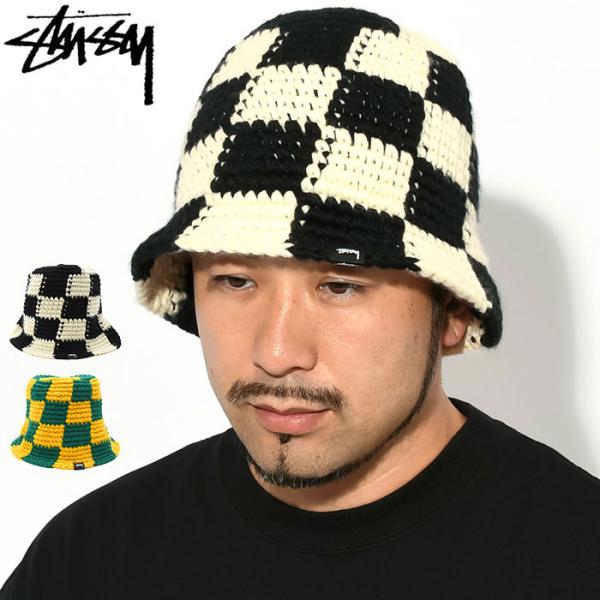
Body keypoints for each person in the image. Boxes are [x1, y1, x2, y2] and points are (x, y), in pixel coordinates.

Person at [2, 6, 599, 599]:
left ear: (454, 309)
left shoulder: (575, 555)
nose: (277, 352)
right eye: (235, 281)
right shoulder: (90, 557)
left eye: (340, 285)